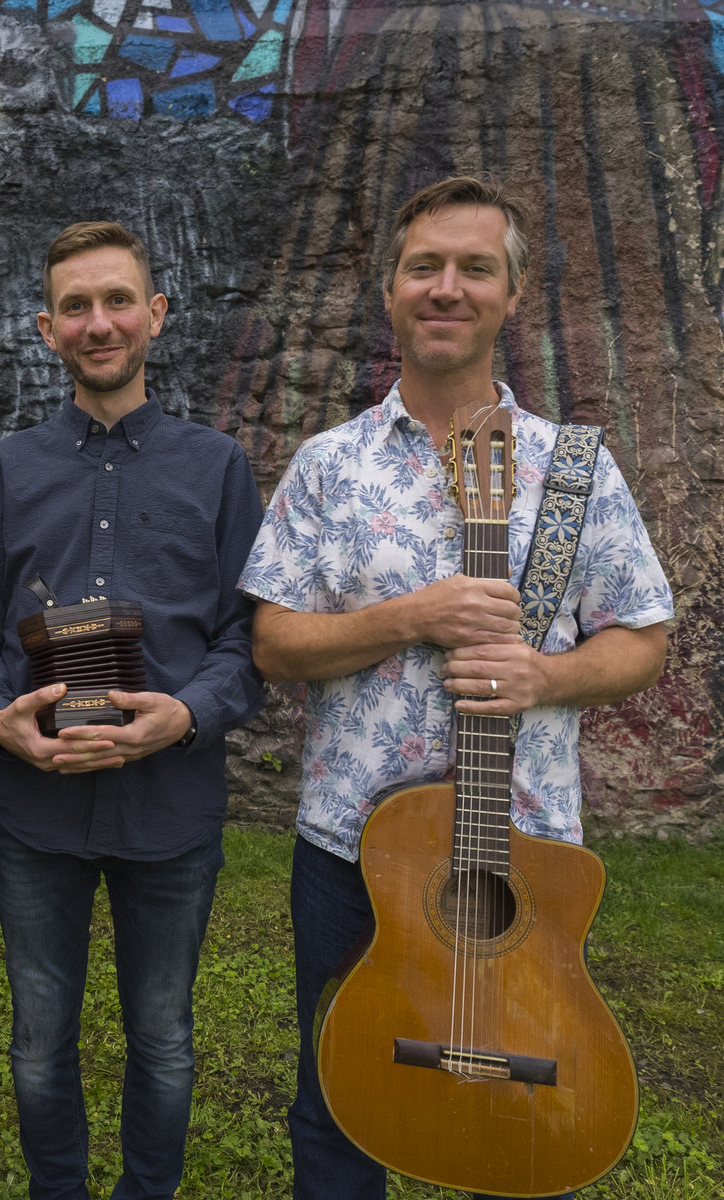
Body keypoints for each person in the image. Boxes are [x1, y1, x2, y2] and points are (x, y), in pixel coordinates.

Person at [238, 177, 674, 1200]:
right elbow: (273, 644)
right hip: (354, 848)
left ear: (512, 295)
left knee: (525, 1118)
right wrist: (408, 618)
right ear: (391, 290)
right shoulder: (329, 466)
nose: (447, 288)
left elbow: (643, 638)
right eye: (424, 266)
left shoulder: (574, 470)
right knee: (339, 1101)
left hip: (526, 855)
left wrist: (547, 673)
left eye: (476, 268)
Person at [0, 220, 264, 1200]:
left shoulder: (219, 468)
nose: (99, 323)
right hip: (31, 813)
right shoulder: (6, 469)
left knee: (163, 1038)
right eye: (75, 307)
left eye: (118, 300)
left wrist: (189, 715)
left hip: (171, 806)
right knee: (41, 1040)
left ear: (155, 315)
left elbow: (249, 638)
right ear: (48, 329)